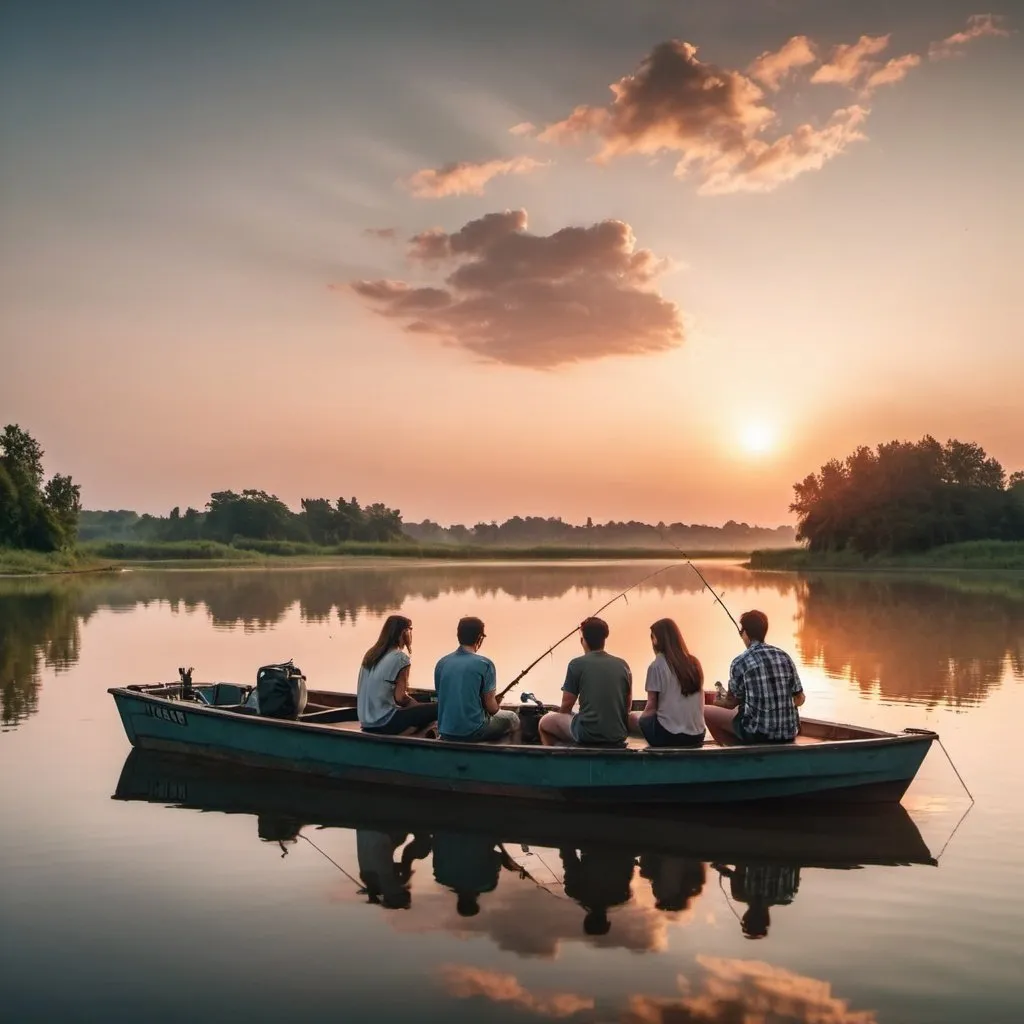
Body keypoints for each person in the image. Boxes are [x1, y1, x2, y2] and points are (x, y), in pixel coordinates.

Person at [704, 609, 805, 746]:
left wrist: (715, 701)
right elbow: (800, 699)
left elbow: (730, 703)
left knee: (707, 713)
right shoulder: (784, 656)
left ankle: (733, 753)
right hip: (790, 732)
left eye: (741, 632)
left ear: (745, 633)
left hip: (758, 734)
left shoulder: (740, 662)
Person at [539, 617, 631, 747]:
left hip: (588, 735)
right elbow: (627, 707)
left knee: (545, 722)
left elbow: (566, 707)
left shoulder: (576, 664)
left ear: (583, 640)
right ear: (604, 640)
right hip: (617, 735)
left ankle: (557, 760)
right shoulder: (623, 665)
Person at [434, 616, 520, 743]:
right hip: (472, 731)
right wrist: (495, 704)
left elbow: (442, 696)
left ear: (459, 635)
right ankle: (514, 754)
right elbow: (492, 708)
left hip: (445, 730)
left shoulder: (441, 663)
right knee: (512, 718)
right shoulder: (485, 664)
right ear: (479, 638)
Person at [628, 617, 706, 748]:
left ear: (655, 639)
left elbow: (651, 707)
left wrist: (639, 721)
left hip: (667, 737)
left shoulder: (656, 665)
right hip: (697, 736)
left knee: (631, 718)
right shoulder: (694, 663)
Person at [357, 615, 438, 736]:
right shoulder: (400, 658)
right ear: (404, 633)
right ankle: (422, 736)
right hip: (386, 722)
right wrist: (418, 708)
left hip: (366, 722)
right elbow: (400, 698)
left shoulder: (370, 654)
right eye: (410, 630)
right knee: (440, 708)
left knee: (423, 704)